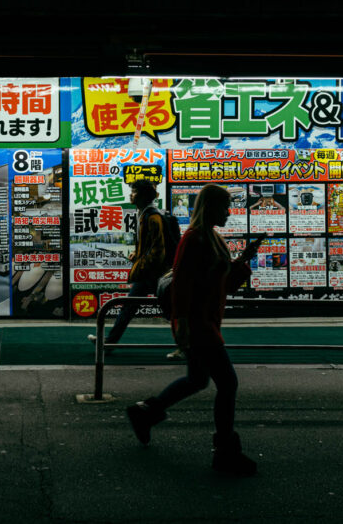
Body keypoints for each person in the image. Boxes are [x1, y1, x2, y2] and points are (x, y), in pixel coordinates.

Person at [124, 184, 257, 476]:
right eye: (224, 207)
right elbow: (182, 286)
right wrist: (182, 325)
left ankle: (147, 413)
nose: (229, 212)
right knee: (227, 383)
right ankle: (225, 452)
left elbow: (222, 287)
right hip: (198, 325)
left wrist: (243, 261)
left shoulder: (213, 239)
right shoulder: (194, 238)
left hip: (206, 321)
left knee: (197, 379)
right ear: (209, 207)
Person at [87, 179, 166, 350]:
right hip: (149, 272)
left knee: (172, 311)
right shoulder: (144, 214)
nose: (131, 194)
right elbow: (149, 245)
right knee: (130, 307)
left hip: (151, 273)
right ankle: (110, 342)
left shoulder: (152, 217)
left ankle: (188, 344)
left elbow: (159, 248)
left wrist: (143, 265)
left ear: (144, 196)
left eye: (135, 191)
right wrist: (138, 255)